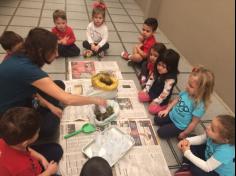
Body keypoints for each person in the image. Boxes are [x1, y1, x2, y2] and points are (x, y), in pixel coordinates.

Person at [0, 27, 106, 141]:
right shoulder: (28, 69)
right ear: (41, 51)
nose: (56, 54)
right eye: (53, 50)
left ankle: (44, 110)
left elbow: (31, 87)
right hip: (8, 117)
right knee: (51, 126)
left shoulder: (23, 54)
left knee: (59, 84)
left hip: (22, 98)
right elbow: (68, 99)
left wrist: (50, 106)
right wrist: (97, 100)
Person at [155, 65, 215, 139]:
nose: (187, 86)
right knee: (156, 119)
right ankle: (168, 125)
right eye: (188, 83)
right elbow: (176, 100)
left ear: (202, 90)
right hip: (172, 115)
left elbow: (194, 123)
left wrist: (184, 133)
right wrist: (167, 110)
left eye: (191, 86)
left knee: (161, 132)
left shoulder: (200, 105)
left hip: (179, 125)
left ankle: (174, 129)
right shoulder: (186, 92)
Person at [0, 107, 63, 176]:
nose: (38, 132)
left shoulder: (5, 140)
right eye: (37, 132)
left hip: (28, 163)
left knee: (56, 150)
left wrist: (41, 158)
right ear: (25, 142)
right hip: (31, 171)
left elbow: (25, 149)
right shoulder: (23, 168)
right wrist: (49, 172)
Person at [138, 49, 180, 115]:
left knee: (151, 110)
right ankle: (151, 98)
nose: (160, 68)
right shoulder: (157, 70)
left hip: (162, 98)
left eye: (164, 67)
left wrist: (156, 101)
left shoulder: (171, 79)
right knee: (141, 96)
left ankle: (165, 105)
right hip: (153, 91)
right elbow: (151, 80)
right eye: (159, 64)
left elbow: (165, 93)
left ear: (171, 68)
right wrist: (146, 90)